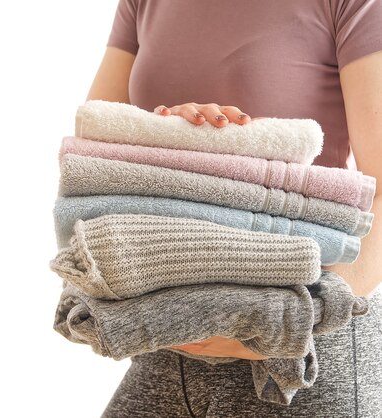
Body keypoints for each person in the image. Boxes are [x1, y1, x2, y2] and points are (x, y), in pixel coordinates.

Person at [85, 1, 382, 416]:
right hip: (169, 330)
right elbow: (94, 158)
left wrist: (294, 318)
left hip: (294, 351)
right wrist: (169, 134)